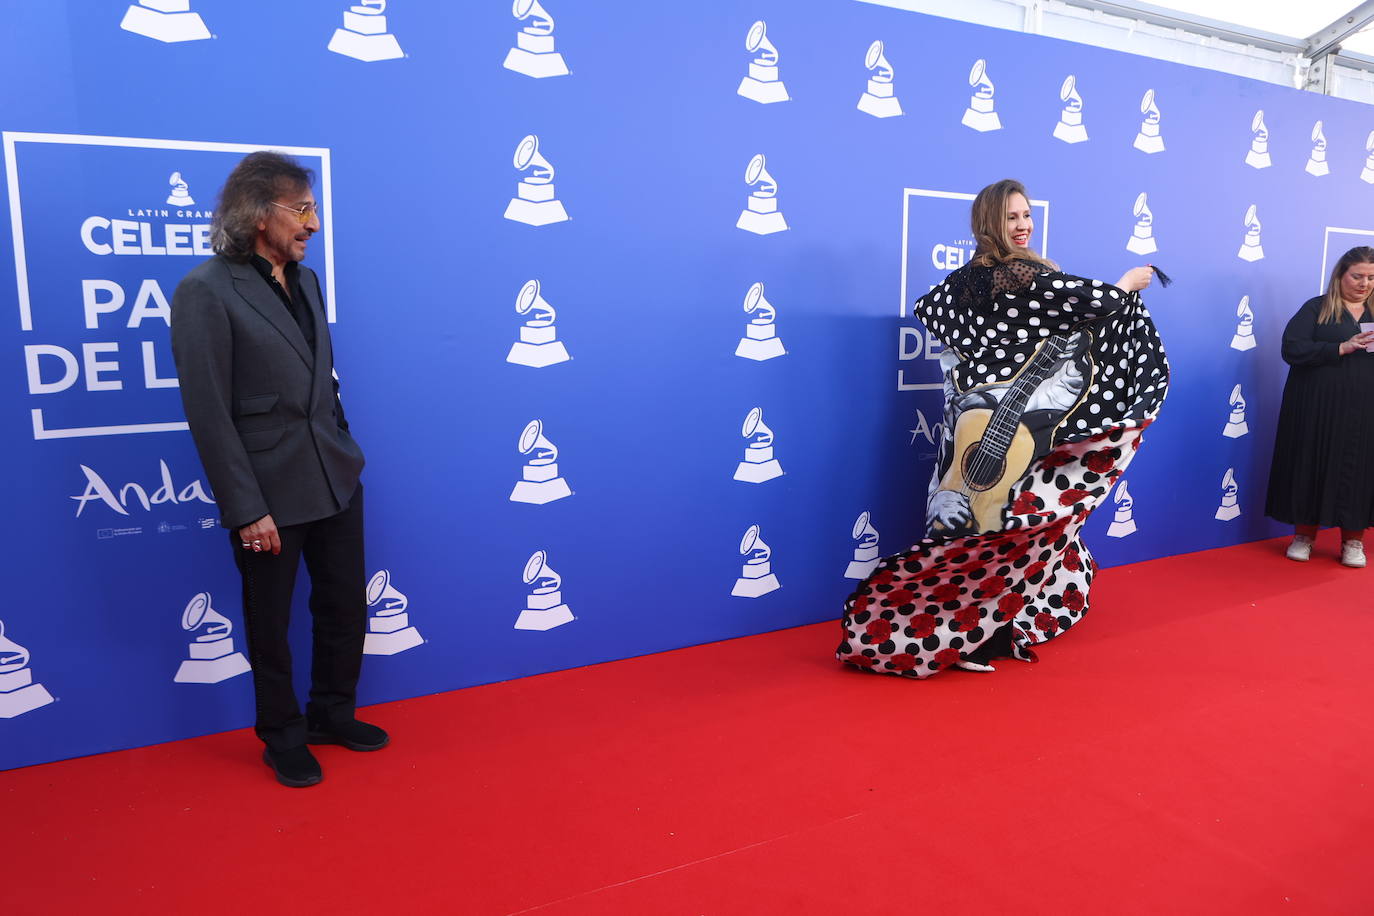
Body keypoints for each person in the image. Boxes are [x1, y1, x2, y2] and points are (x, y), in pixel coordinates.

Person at [837, 178, 1169, 678]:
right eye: (1012, 217)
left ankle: (964, 631)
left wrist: (989, 367)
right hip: (988, 426)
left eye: (1027, 215)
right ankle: (963, 638)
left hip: (971, 421)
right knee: (987, 529)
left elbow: (937, 312)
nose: (1023, 225)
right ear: (989, 222)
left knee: (968, 530)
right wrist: (1124, 287)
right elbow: (1082, 304)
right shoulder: (1016, 276)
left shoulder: (963, 282)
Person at [171, 151, 386, 787]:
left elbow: (324, 381)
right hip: (267, 493)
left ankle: (331, 714)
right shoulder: (204, 291)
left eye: (312, 208)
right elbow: (209, 413)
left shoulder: (308, 282)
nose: (313, 223)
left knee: (345, 607)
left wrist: (345, 449)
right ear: (260, 215)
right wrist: (246, 508)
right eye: (301, 209)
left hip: (334, 476)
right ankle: (283, 735)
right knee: (270, 623)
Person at [1265, 246, 1374, 568]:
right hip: (1316, 408)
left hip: (1365, 412)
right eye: (1357, 276)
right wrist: (1341, 347)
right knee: (1310, 463)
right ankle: (1304, 536)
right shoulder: (1316, 309)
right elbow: (1292, 349)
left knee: (1360, 471)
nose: (1364, 283)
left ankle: (1353, 542)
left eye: (1371, 277)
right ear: (1340, 275)